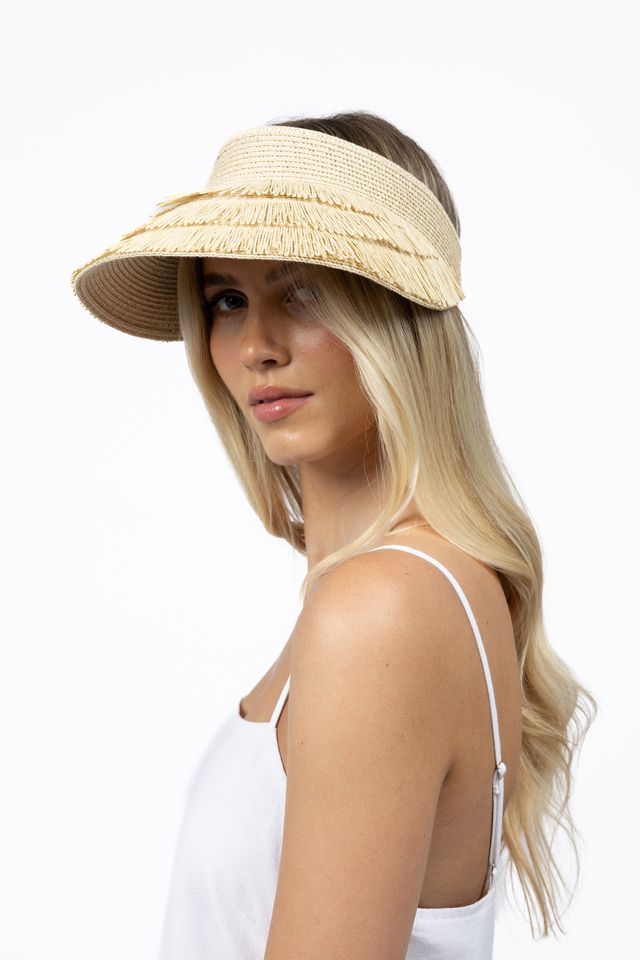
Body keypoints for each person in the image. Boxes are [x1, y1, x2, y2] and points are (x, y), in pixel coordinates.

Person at [71, 111, 597, 960]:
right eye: (227, 300)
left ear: (399, 315)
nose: (256, 346)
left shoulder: (380, 610)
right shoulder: (422, 588)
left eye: (304, 291)